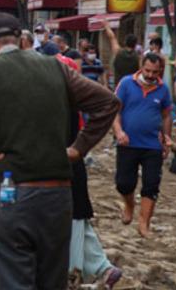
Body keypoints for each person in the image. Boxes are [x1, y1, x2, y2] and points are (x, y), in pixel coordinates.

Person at [0, 12, 119, 290]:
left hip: (10, 194)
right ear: (22, 40)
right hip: (57, 195)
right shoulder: (57, 69)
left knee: (11, 276)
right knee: (51, 280)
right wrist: (79, 148)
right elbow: (108, 103)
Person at [57, 53, 124, 288]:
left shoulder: (62, 107)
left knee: (73, 221)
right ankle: (103, 268)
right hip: (72, 170)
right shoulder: (72, 104)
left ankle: (73, 272)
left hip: (66, 173)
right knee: (78, 221)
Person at [113, 53, 172, 238]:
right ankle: (129, 205)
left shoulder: (163, 89)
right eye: (147, 70)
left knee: (152, 184)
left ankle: (144, 224)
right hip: (127, 143)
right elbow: (115, 111)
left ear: (160, 71)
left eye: (155, 72)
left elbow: (166, 115)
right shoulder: (126, 83)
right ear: (141, 66)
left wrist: (167, 137)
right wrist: (118, 131)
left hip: (152, 145)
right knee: (124, 183)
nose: (150, 74)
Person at [103, 21, 140, 86]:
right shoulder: (138, 57)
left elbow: (112, 37)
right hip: (133, 86)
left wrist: (106, 26)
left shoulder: (118, 52)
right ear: (135, 45)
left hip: (119, 85)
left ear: (125, 42)